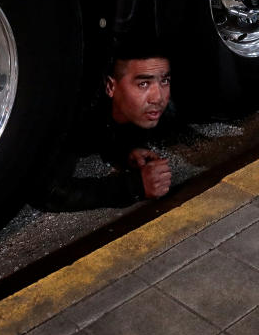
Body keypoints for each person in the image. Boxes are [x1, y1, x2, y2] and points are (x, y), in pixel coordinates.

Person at [38, 38, 173, 211]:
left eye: (164, 81)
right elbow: (50, 192)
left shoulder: (116, 106)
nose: (158, 98)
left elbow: (100, 127)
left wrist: (125, 152)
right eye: (143, 84)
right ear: (110, 86)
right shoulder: (73, 110)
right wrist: (135, 186)